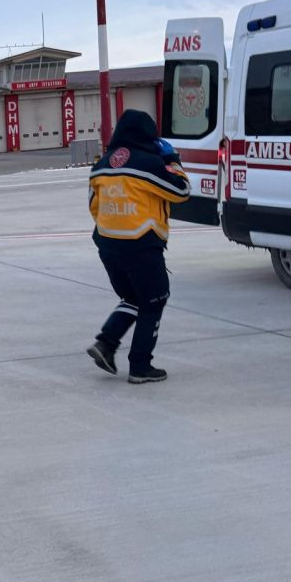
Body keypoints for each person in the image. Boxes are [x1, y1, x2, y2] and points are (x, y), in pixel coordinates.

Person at [85, 110, 190, 383]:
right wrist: (173, 160)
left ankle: (106, 344)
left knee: (133, 297)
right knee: (155, 299)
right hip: (141, 242)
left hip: (107, 244)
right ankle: (141, 366)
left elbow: (93, 207)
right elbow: (181, 191)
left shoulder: (102, 165)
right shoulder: (149, 164)